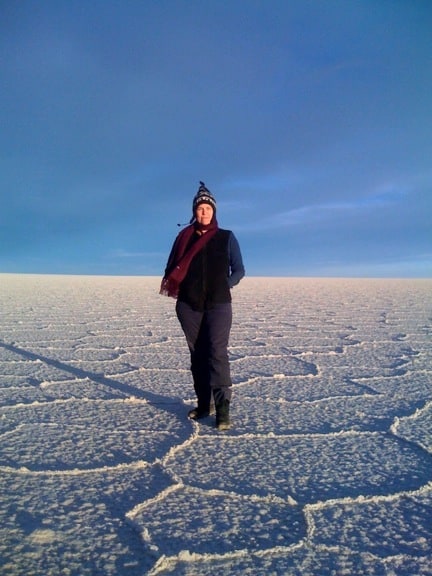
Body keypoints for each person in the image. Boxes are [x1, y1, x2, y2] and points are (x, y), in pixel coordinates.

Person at [160, 181, 245, 430]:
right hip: (189, 305)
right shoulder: (183, 238)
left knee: (217, 352)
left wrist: (223, 284)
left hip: (218, 304)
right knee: (197, 354)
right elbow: (171, 269)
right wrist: (185, 289)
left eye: (207, 208)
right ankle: (203, 403)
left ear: (214, 211)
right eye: (199, 209)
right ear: (194, 212)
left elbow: (239, 270)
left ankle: (222, 410)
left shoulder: (226, 237)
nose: (203, 212)